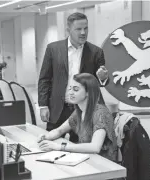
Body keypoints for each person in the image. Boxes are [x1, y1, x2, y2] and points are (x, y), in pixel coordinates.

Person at [38, 12, 109, 143]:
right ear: (68, 30)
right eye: (78, 29)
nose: (83, 32)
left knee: (83, 149)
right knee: (50, 144)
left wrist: (103, 77)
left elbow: (101, 81)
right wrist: (43, 105)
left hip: (84, 109)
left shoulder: (96, 52)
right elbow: (45, 79)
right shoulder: (53, 49)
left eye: (86, 28)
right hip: (59, 107)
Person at [37, 73, 117, 162]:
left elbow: (95, 147)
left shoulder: (101, 113)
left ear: (88, 92)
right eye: (70, 88)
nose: (70, 92)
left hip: (104, 165)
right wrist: (46, 137)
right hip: (88, 160)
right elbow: (60, 130)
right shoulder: (79, 111)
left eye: (76, 89)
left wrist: (60, 147)